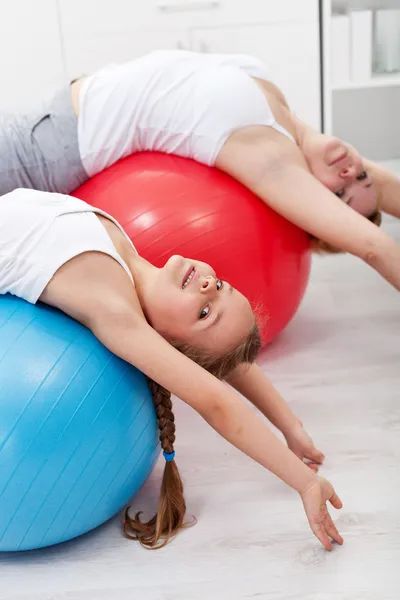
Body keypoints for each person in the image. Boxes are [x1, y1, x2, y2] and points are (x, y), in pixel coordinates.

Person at [0, 187, 343, 550]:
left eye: (204, 313)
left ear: (172, 351)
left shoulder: (116, 310)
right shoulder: (129, 264)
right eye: (221, 286)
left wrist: (304, 483)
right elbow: (230, 362)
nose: (208, 286)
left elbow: (216, 403)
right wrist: (290, 424)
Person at [0, 49, 399, 288]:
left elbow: (373, 245)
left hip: (41, 154)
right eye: (361, 175)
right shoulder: (284, 116)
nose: (350, 175)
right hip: (47, 119)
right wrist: (365, 183)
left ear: (314, 201)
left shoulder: (271, 157)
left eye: (337, 197)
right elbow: (379, 183)